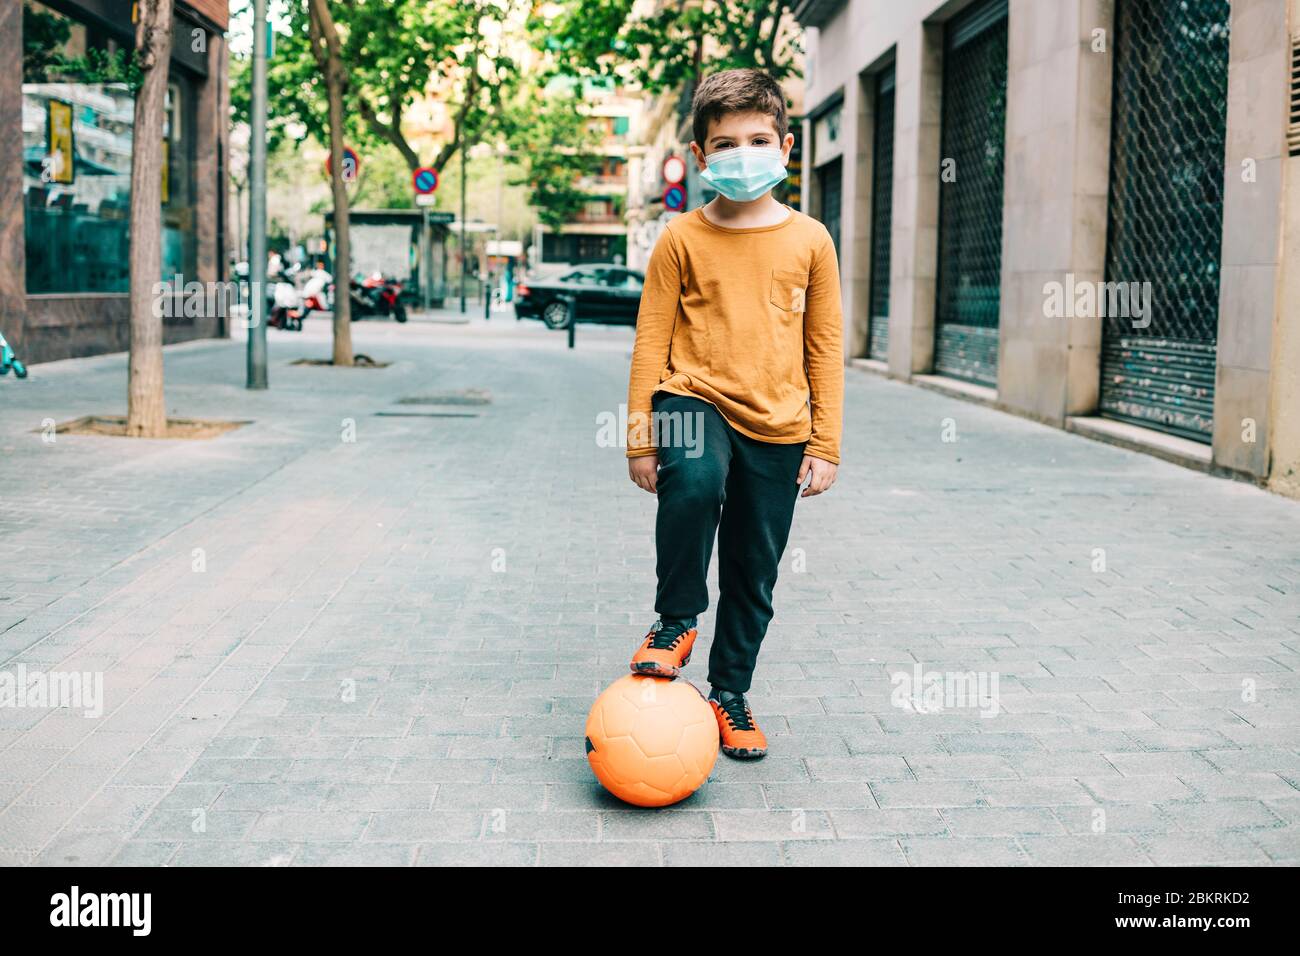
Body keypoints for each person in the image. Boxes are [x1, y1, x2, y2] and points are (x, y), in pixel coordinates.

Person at [625, 68, 844, 760]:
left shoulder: (811, 240)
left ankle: (730, 693)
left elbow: (825, 346)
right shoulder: (680, 238)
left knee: (754, 568)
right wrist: (638, 436)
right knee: (692, 483)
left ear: (785, 149)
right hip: (692, 395)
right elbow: (649, 341)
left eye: (757, 139)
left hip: (780, 425)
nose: (742, 152)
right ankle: (675, 621)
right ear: (700, 157)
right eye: (725, 143)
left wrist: (827, 442)